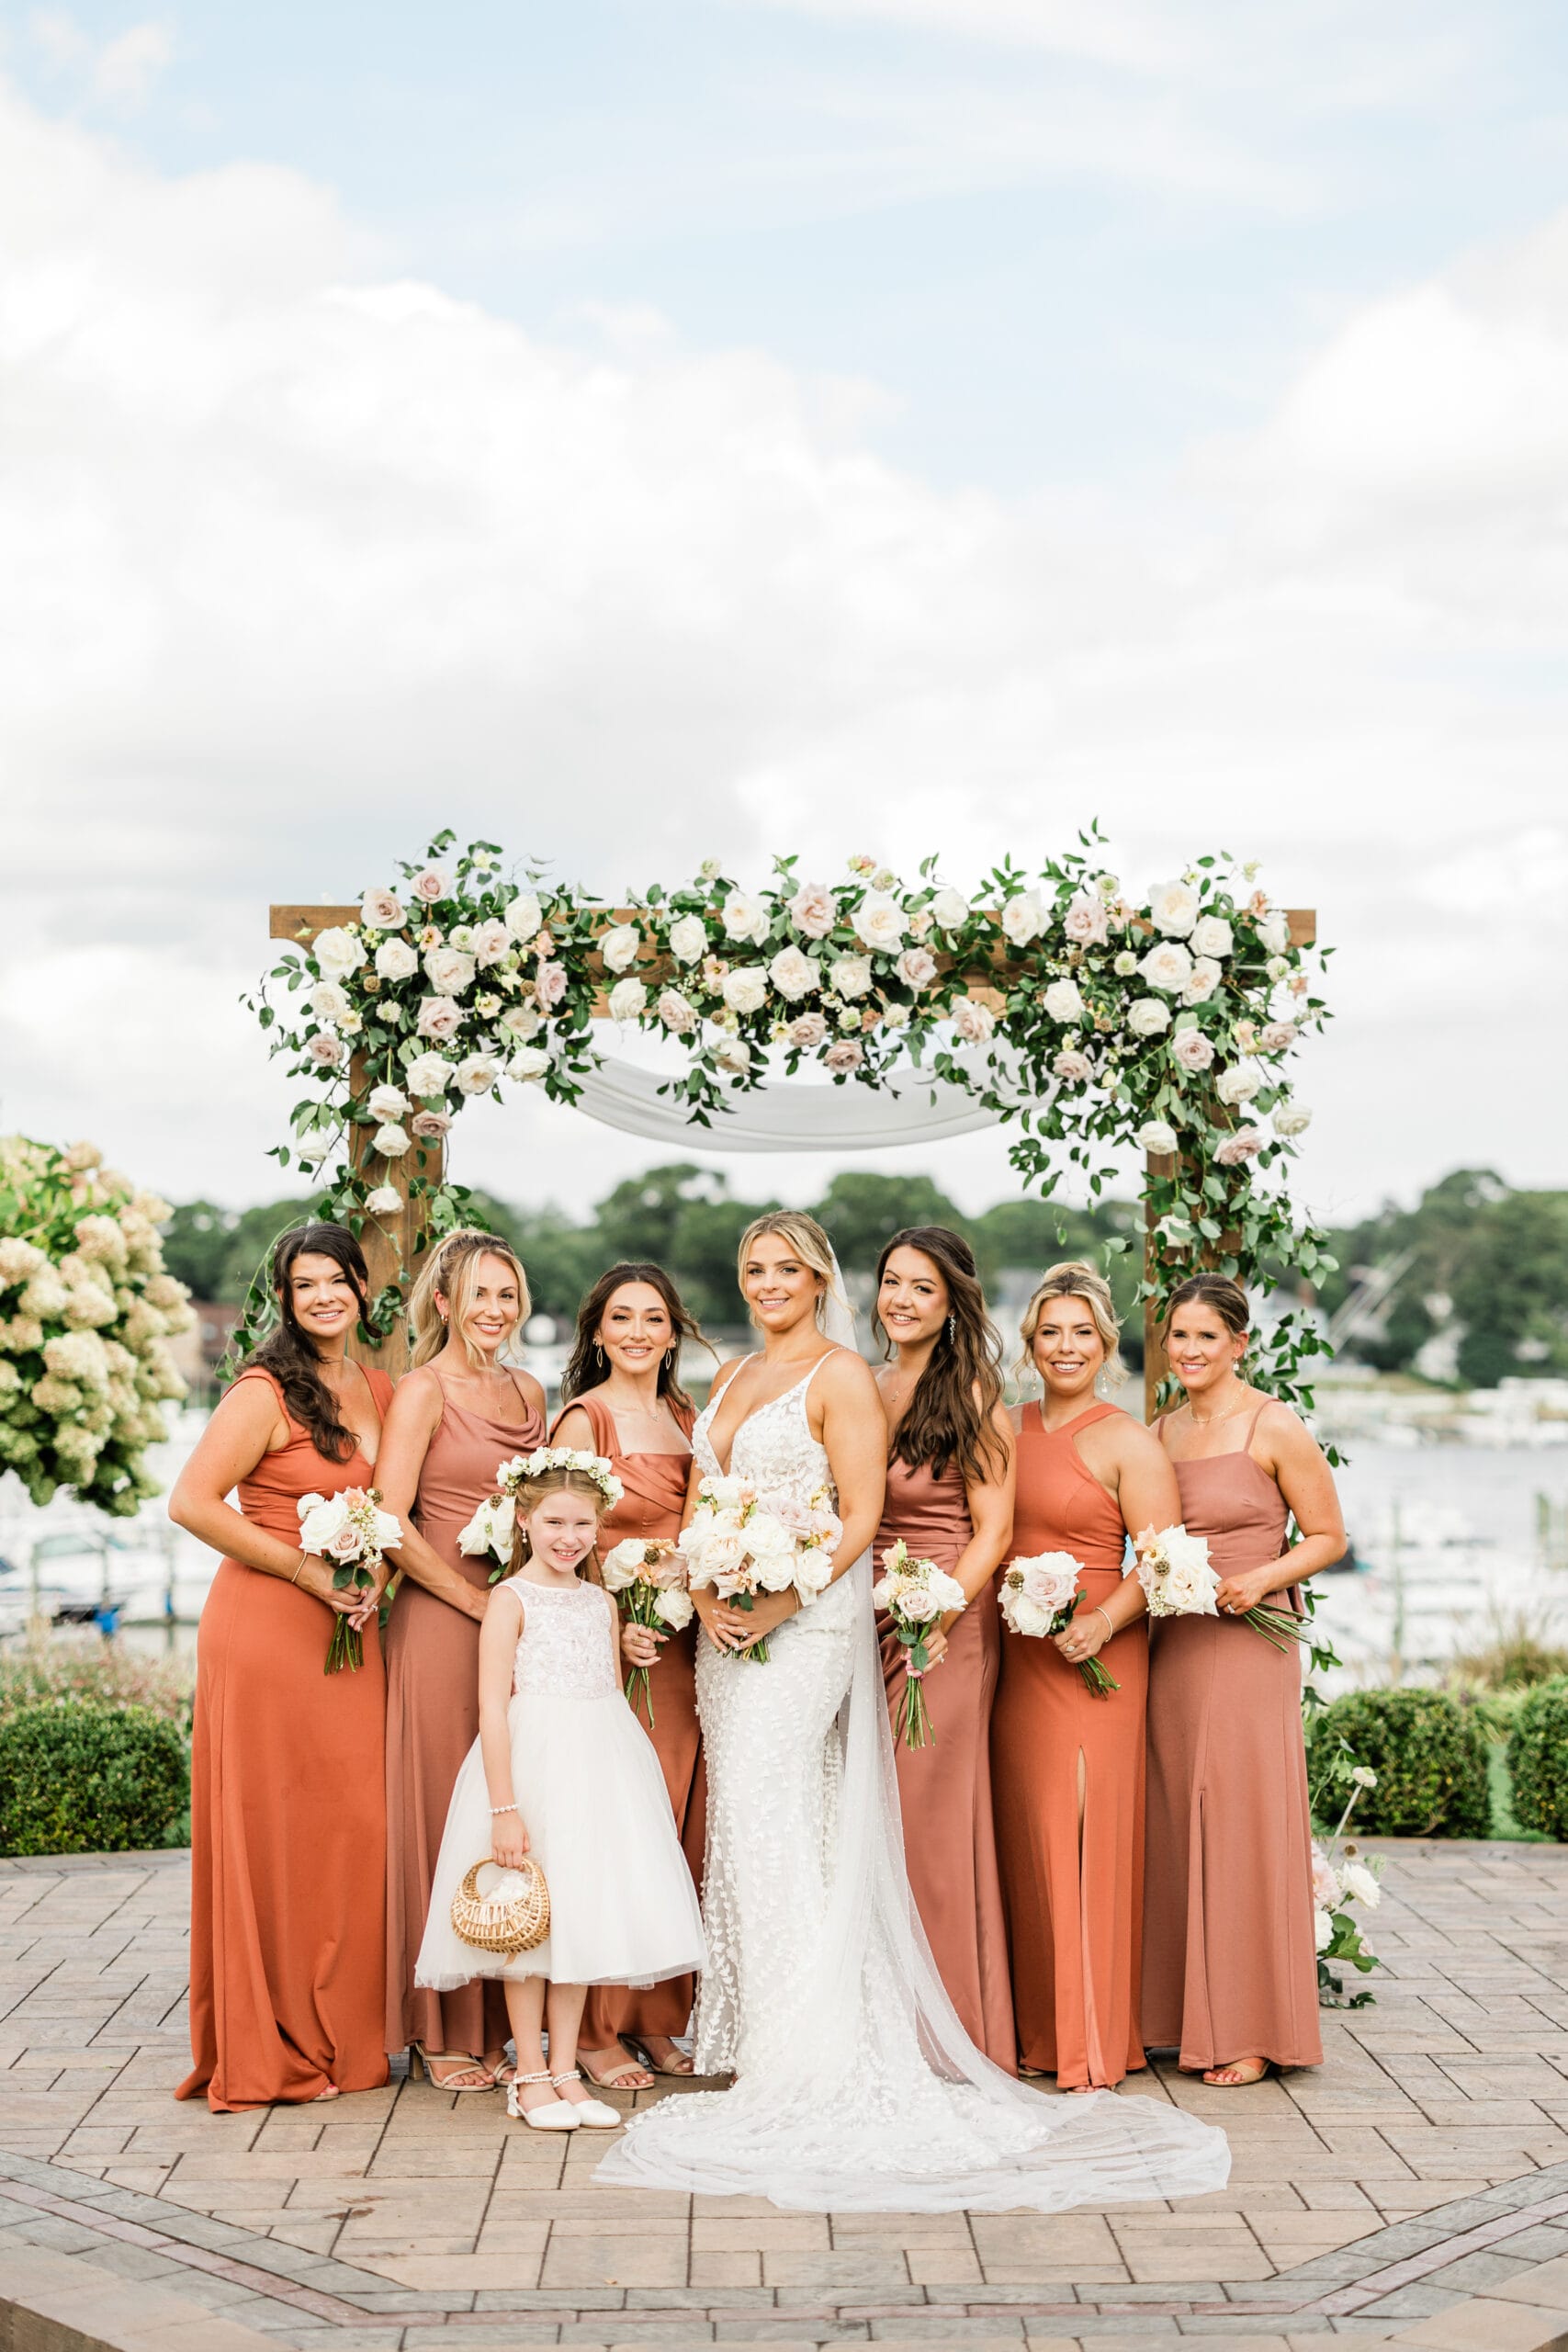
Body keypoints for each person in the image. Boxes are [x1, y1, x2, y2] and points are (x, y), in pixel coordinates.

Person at [598, 1214, 1228, 2214]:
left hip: (842, 1619)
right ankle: (782, 2035)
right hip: (760, 1625)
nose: (768, 1282)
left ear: (819, 1279)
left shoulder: (879, 1379)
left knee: (822, 1819)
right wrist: (702, 1582)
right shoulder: (735, 1380)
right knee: (787, 1825)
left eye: (787, 1268)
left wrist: (829, 1600)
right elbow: (709, 1505)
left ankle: (857, 2049)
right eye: (753, 1268)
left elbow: (917, 1520)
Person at [414, 1453, 705, 2131]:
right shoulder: (510, 1601)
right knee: (529, 1924)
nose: (567, 1537)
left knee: (580, 1918)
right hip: (533, 1770)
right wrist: (504, 1808)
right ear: (523, 1520)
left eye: (581, 1523)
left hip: (599, 1771)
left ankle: (569, 2070)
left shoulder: (601, 1601)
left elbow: (602, 1690)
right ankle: (532, 2076)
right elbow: (492, 1707)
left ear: (598, 1526)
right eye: (552, 1522)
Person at [171, 1223, 391, 2112]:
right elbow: (190, 1500)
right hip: (267, 1626)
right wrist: (308, 1570)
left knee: (353, 1827)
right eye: (306, 1286)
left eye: (337, 1280)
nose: (324, 1297)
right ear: (286, 1298)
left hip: (350, 1630)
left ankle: (340, 2031)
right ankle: (273, 2040)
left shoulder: (378, 1384)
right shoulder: (264, 1388)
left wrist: (367, 1571)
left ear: (361, 1289)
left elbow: (388, 1506)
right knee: (273, 1828)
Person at [1142, 1272, 1346, 2086]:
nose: (1188, 1351)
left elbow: (1327, 1534)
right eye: (1178, 1337)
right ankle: (1172, 2016)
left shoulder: (1273, 1425)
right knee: (1170, 1813)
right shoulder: (1157, 1432)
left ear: (1238, 1343)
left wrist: (1261, 1580)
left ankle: (1253, 2027)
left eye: (1204, 1337)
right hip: (1175, 1641)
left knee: (1239, 1822)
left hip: (1249, 1639)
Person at [990, 1263, 1181, 2091]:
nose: (1064, 1347)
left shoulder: (1128, 1441)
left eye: (1081, 1333)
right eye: (1049, 1333)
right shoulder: (1001, 1427)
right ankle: (1036, 2032)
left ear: (1106, 1344)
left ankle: (1092, 2042)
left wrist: (1103, 1621)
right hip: (1016, 1660)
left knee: (1086, 1833)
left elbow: (1165, 1561)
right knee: (1028, 1835)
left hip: (1102, 1651)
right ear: (1030, 1346)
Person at [378, 1229, 546, 2092]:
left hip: (519, 1615)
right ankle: (438, 2027)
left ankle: (498, 2017)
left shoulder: (530, 1388)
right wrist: (473, 1601)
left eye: (507, 1295)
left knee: (507, 1801)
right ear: (442, 1302)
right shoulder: (421, 1390)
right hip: (445, 1619)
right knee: (443, 1800)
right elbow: (391, 1517)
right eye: (478, 1294)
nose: (494, 1310)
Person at [554, 1262, 709, 2091]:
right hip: (620, 1650)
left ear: (674, 1331)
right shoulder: (585, 1422)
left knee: (679, 1828)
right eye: (623, 1317)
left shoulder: (688, 1416)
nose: (640, 1332)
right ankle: (595, 2027)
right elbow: (563, 1541)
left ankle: (661, 2015)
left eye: (654, 1318)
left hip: (686, 1653)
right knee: (618, 1829)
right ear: (598, 1331)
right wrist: (625, 1621)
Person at [871, 1226, 1016, 2068]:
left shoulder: (971, 1391)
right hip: (864, 1613)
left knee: (929, 1817)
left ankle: (948, 2030)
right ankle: (881, 2011)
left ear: (952, 1300)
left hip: (944, 1627)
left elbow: (992, 1528)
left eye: (922, 1287)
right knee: (872, 1812)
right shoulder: (860, 1382)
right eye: (892, 1281)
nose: (901, 1300)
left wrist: (938, 1613)